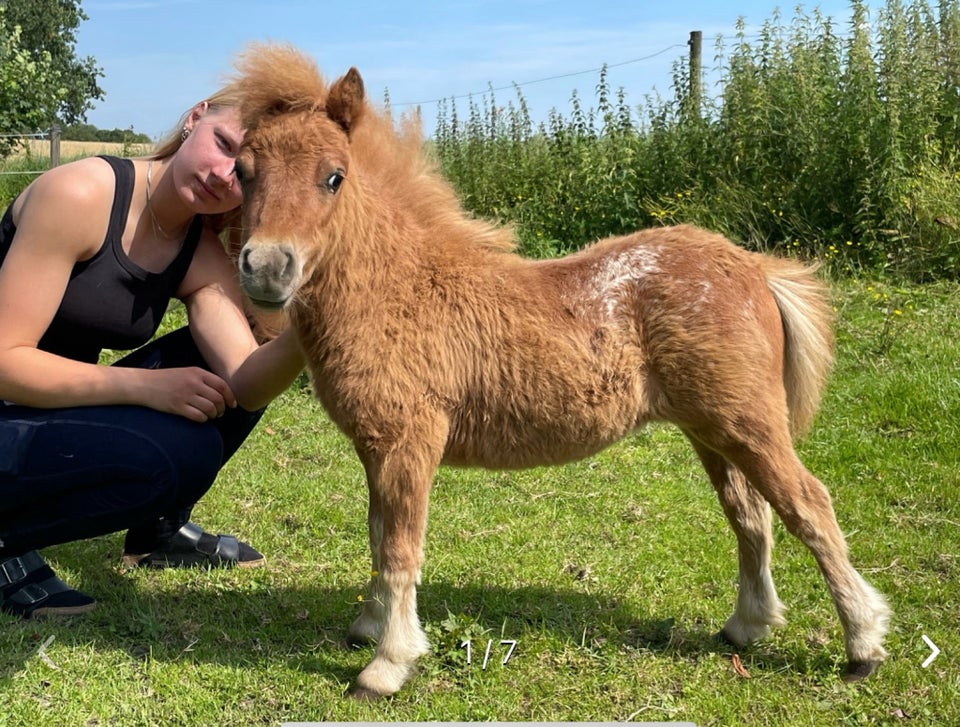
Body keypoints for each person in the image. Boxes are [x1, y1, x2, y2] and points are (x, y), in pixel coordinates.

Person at [0, 86, 304, 618]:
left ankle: (157, 534)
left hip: (43, 409)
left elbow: (246, 381)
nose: (223, 174)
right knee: (167, 459)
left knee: (233, 353)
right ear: (195, 118)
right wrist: (146, 386)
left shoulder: (195, 248)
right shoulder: (82, 195)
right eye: (224, 144)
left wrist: (316, 326)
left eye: (248, 172)